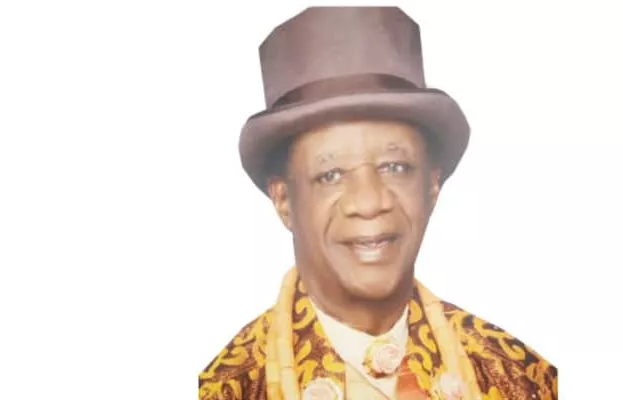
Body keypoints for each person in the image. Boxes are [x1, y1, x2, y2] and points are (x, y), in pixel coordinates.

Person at [199, 6, 557, 400]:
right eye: (331, 174)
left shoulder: (522, 380)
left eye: (395, 167)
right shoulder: (225, 389)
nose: (369, 203)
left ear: (432, 186)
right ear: (284, 200)